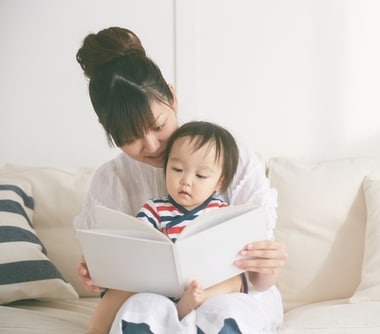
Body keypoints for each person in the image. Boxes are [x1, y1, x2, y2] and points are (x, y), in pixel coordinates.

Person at [74, 27, 287, 334]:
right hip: (150, 301)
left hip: (230, 295)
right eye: (130, 137)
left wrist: (268, 262)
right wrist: (98, 272)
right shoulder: (111, 181)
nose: (151, 145)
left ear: (172, 97)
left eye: (157, 125)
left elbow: (255, 275)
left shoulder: (230, 158)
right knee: (142, 309)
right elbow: (114, 284)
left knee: (225, 314)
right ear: (105, 126)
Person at [90, 121, 247, 330]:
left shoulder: (221, 213)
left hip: (205, 288)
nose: (186, 181)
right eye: (177, 169)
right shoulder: (154, 209)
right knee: (134, 297)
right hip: (160, 289)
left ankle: (194, 301)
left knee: (236, 280)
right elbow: (137, 243)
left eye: (200, 175)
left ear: (220, 181)